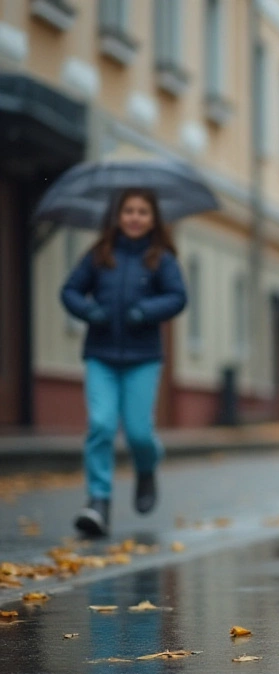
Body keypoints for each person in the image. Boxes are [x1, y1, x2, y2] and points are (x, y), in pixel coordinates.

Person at [60, 189, 187, 537]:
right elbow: (69, 291)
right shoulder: (99, 256)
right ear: (117, 217)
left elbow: (178, 297)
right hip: (101, 355)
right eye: (128, 211)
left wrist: (146, 311)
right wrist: (89, 311)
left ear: (153, 219)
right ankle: (98, 501)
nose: (134, 217)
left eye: (142, 212)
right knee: (100, 425)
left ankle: (146, 469)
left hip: (142, 358)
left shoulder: (160, 259)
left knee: (139, 433)